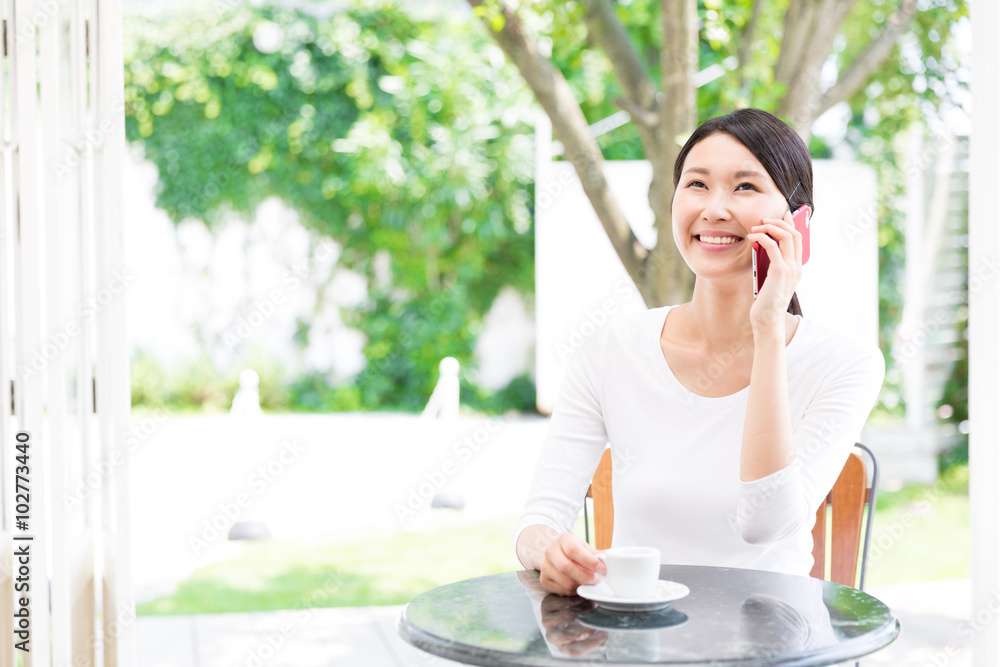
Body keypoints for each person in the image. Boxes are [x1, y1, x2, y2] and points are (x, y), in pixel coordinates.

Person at [514, 108, 885, 596]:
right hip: (641, 638)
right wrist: (549, 552)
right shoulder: (613, 349)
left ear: (799, 221)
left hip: (768, 645)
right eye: (697, 185)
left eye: (746, 187)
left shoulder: (845, 364)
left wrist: (768, 328)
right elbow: (539, 518)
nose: (714, 208)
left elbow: (765, 524)